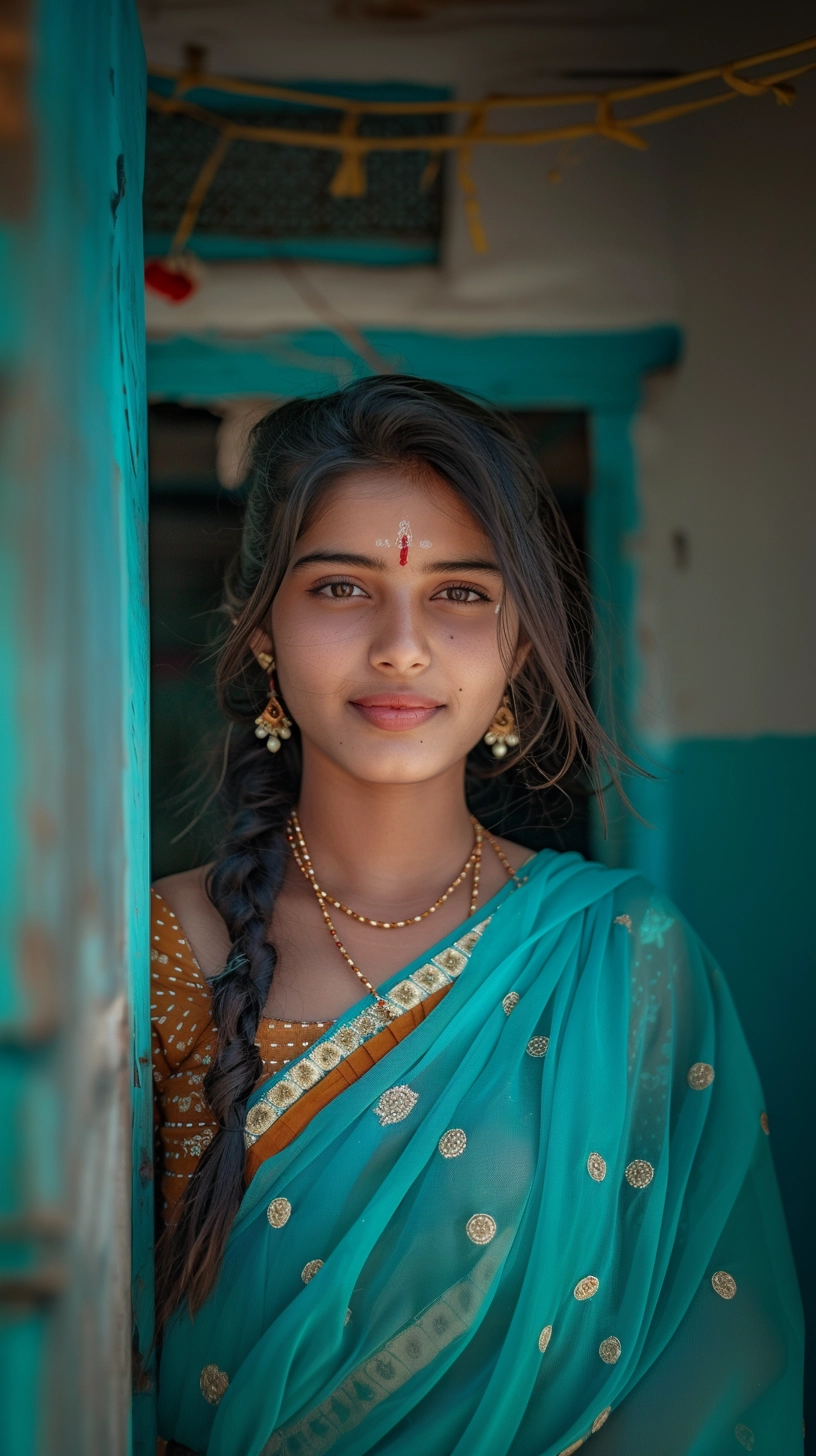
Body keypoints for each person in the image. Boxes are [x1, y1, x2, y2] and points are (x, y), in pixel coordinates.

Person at [151, 378, 803, 1456]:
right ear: (262, 628)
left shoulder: (625, 962)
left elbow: (710, 1357)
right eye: (342, 589)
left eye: (459, 594)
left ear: (517, 643)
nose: (403, 645)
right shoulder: (163, 952)